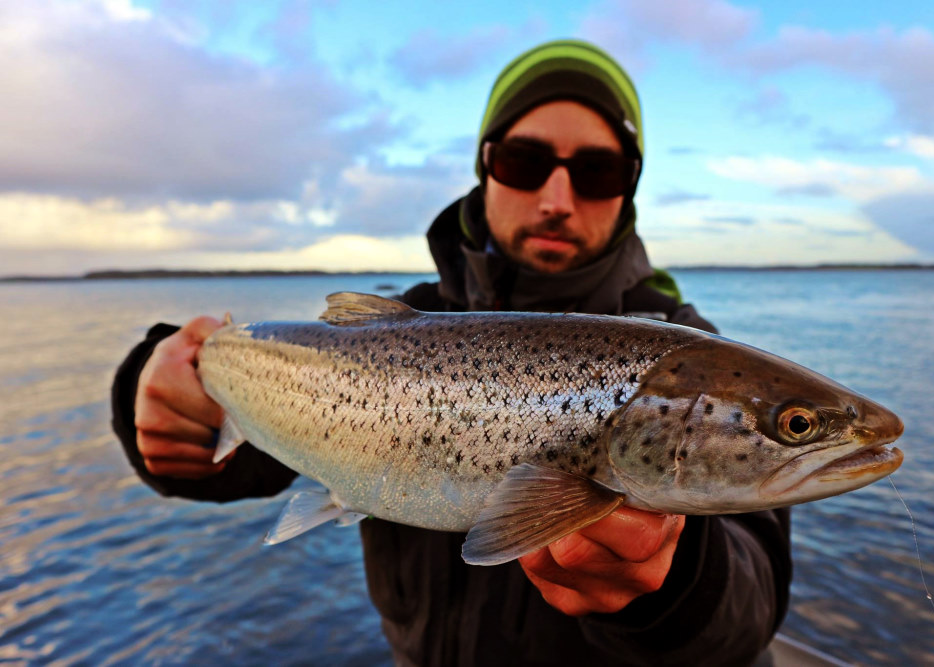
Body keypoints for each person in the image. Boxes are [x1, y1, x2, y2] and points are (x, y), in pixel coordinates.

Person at [112, 39, 791, 666]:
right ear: (485, 170)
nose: (557, 199)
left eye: (597, 170)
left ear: (629, 192)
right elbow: (238, 464)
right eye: (524, 162)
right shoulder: (393, 332)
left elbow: (751, 606)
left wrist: (676, 580)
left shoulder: (702, 354)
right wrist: (158, 384)